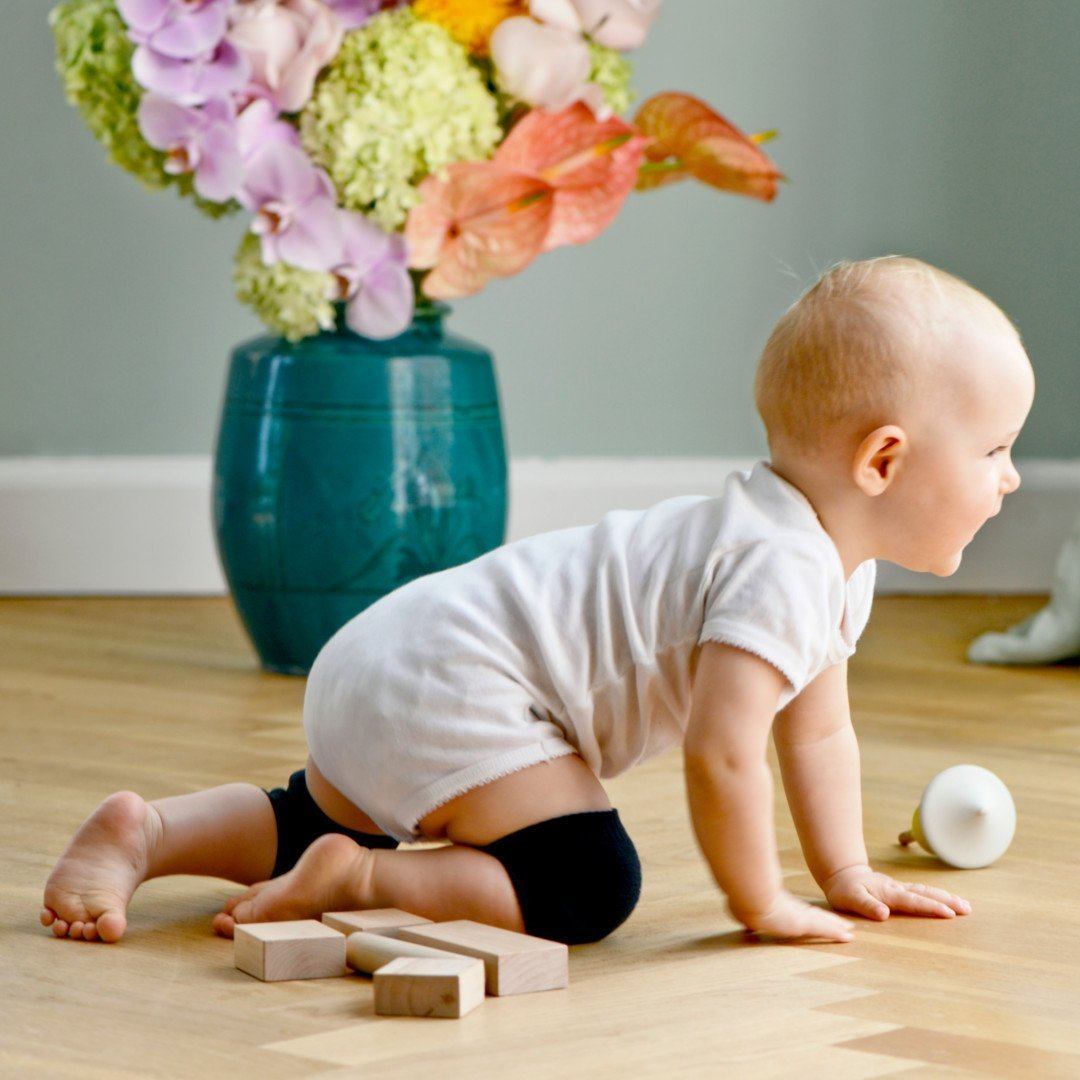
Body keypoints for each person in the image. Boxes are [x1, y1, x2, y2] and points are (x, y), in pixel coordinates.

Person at [41, 255, 1033, 947]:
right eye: (995, 451)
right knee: (585, 883)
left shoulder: (824, 564)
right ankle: (363, 878)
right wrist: (761, 897)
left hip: (404, 653)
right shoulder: (777, 566)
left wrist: (845, 873)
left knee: (310, 815)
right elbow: (726, 750)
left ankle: (154, 832)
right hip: (457, 678)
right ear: (884, 459)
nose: (1012, 478)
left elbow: (813, 735)